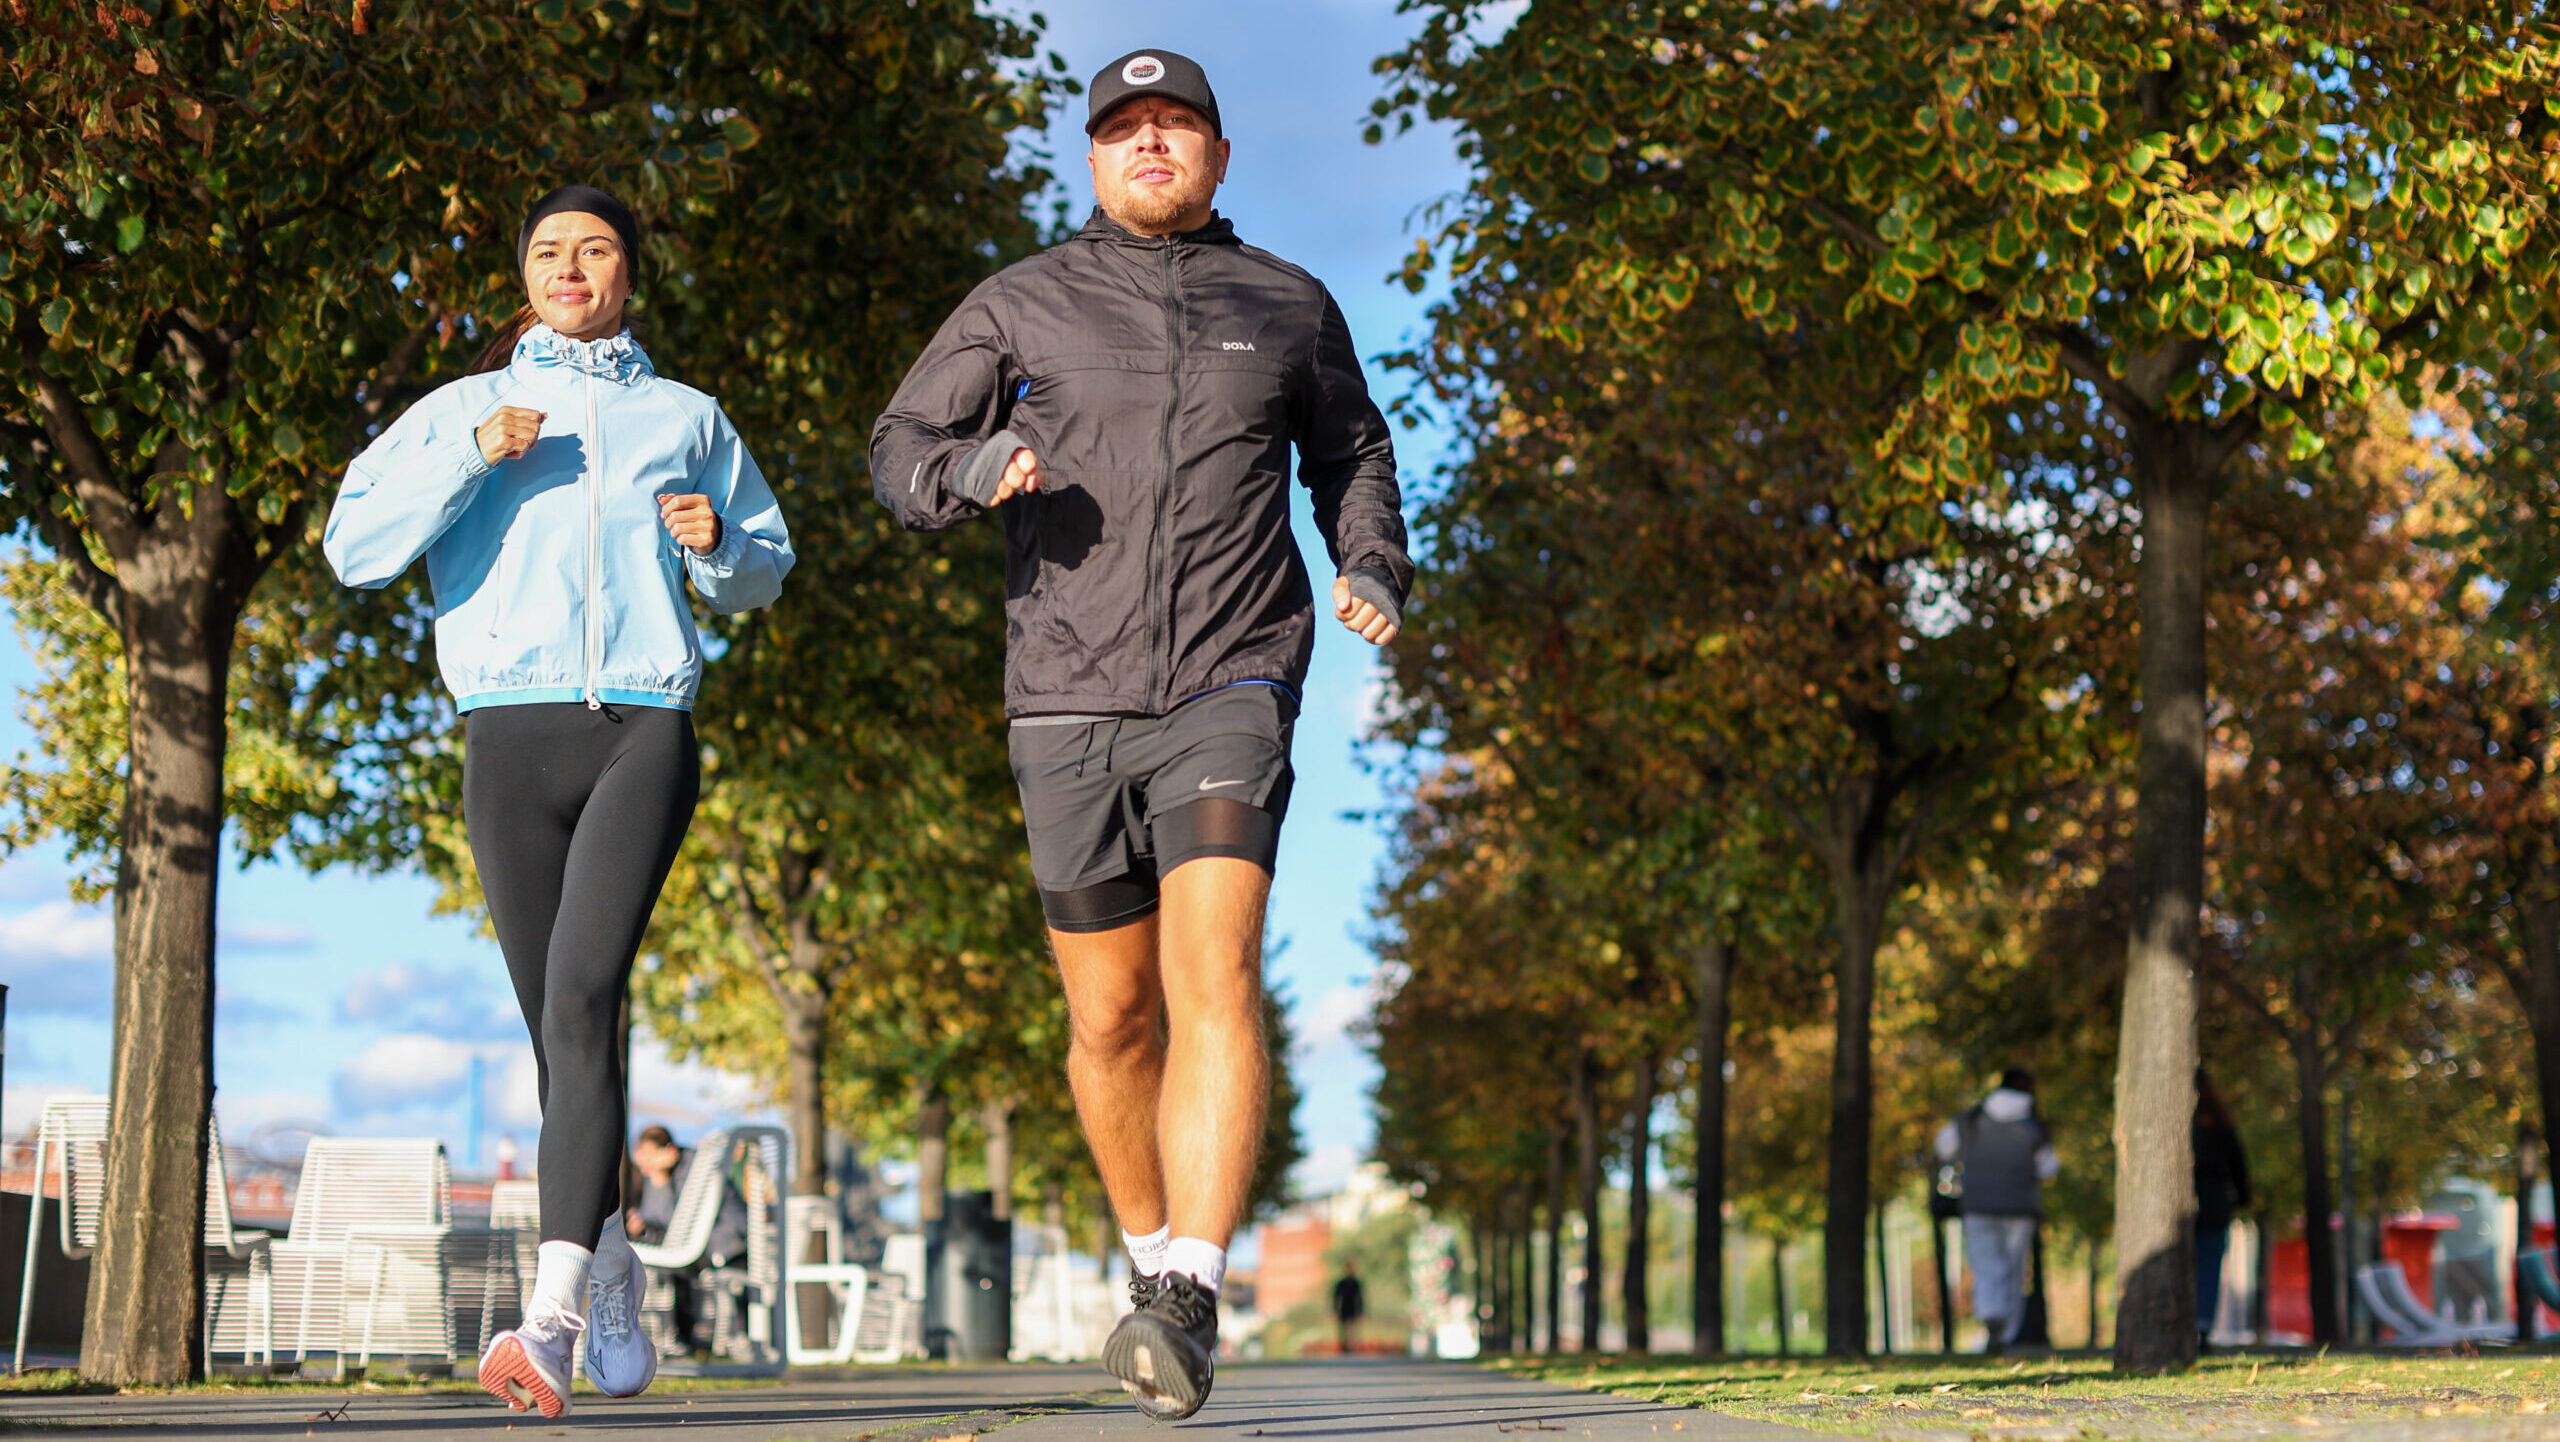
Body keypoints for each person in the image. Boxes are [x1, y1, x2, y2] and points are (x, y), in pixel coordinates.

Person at [871, 48, 1408, 1421]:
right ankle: (1148, 1252)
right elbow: (899, 449)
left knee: (1212, 965)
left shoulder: (1288, 302)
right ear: (1094, 158)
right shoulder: (1020, 300)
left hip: (1234, 677)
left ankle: (1191, 1289)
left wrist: (1372, 560)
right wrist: (972, 465)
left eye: (1176, 124)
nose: (1151, 142)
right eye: (1126, 127)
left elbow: (1352, 450)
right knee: (1109, 1019)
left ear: (1219, 156)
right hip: (1064, 690)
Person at [324, 183, 793, 1419]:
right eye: (547, 250)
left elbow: (761, 570)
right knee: (559, 1037)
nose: (570, 265)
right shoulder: (462, 410)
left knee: (585, 997)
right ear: (524, 275)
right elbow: (354, 548)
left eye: (595, 248)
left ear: (630, 271)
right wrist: (471, 458)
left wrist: (716, 544)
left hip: (643, 727)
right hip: (507, 734)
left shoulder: (688, 417)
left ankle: (550, 1319)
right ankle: (618, 1258)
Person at [1934, 1067, 2059, 1355]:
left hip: (1977, 1205)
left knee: (1986, 1264)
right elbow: (2049, 1168)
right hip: (2019, 1208)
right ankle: (2006, 1330)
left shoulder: (1971, 1119)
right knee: (2014, 1268)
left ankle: (1991, 1315)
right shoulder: (2033, 1126)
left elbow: (1943, 1147)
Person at [625, 1125, 751, 1353]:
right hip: (701, 1243)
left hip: (727, 1241)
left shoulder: (694, 1169)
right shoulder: (662, 1173)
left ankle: (684, 1338)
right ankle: (682, 1338)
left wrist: (661, 1182)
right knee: (672, 1266)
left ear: (669, 1151)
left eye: (650, 1157)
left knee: (676, 1266)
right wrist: (641, 1224)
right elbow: (658, 1220)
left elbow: (677, 1220)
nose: (645, 1166)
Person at [2193, 1069, 2252, 1347]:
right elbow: (2237, 1163)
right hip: (2214, 1200)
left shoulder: (2180, 1123)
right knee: (2209, 1264)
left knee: (2189, 1263)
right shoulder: (2219, 1121)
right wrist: (2243, 1197)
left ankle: (2191, 1322)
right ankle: (2202, 1325)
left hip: (2192, 1199)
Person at [1331, 1262, 1366, 1356]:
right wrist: (1335, 1311)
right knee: (1343, 1329)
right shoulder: (1341, 1283)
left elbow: (1360, 1298)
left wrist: (1361, 1312)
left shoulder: (1355, 1283)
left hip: (1353, 1309)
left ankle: (1352, 1346)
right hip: (1344, 1309)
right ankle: (1345, 1346)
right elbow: (1336, 1298)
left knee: (1352, 1329)